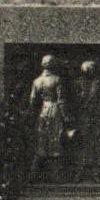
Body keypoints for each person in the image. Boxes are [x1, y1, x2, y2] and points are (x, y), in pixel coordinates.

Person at [29, 53, 72, 181]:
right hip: (55, 111)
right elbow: (61, 101)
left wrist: (32, 116)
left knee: (42, 141)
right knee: (55, 140)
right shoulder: (57, 79)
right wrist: (66, 117)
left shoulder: (36, 81)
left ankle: (34, 174)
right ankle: (56, 176)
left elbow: (32, 101)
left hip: (42, 111)